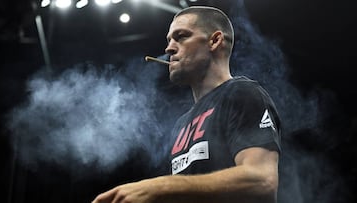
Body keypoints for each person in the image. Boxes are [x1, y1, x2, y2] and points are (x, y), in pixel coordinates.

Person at [92, 6, 281, 203]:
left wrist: (161, 187)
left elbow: (262, 181)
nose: (169, 48)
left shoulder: (242, 94)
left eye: (181, 36)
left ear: (215, 41)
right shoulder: (181, 125)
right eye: (169, 40)